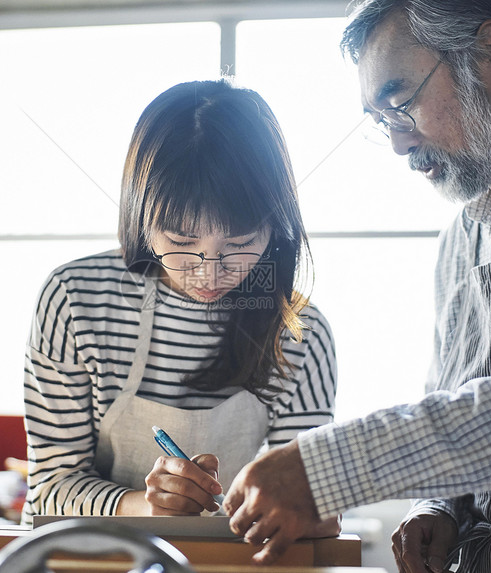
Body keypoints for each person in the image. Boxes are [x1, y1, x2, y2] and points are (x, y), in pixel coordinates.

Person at [223, 1, 491, 570]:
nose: (398, 144)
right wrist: (439, 505)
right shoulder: (463, 234)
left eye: (401, 103)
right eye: (380, 121)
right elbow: (453, 393)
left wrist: (324, 467)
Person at [21, 79, 338, 522]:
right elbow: (49, 488)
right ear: (141, 219)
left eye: (241, 242)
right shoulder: (76, 299)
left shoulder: (301, 332)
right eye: (182, 241)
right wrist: (143, 506)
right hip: (86, 554)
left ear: (277, 229)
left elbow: (310, 494)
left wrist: (311, 507)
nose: (209, 273)